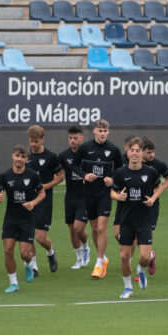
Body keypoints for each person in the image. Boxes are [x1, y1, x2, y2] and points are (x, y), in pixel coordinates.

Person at [111, 138, 163, 299]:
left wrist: (153, 199)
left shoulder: (150, 172)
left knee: (144, 257)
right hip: (126, 220)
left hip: (144, 220)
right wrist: (117, 197)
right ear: (128, 152)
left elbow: (158, 187)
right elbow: (111, 191)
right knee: (124, 257)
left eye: (137, 150)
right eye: (132, 150)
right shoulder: (120, 173)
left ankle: (141, 271)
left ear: (141, 153)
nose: (134, 153)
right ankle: (128, 288)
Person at [72, 119, 123, 279]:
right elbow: (73, 165)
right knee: (94, 228)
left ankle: (99, 263)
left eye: (105, 131)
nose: (102, 134)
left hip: (104, 194)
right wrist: (84, 175)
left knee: (101, 228)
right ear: (94, 131)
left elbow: (120, 170)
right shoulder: (85, 148)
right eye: (100, 131)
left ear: (108, 132)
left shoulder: (113, 150)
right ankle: (103, 258)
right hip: (88, 194)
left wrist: (112, 179)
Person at [0, 145, 45, 293]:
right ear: (12, 156)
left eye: (22, 157)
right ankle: (13, 283)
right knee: (8, 250)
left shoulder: (33, 175)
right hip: (10, 218)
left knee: (24, 254)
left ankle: (28, 265)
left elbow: (42, 193)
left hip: (27, 219)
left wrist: (33, 203)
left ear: (26, 159)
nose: (19, 159)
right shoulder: (4, 176)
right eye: (17, 156)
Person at [25, 125, 63, 279]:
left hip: (45, 202)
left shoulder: (51, 157)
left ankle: (50, 252)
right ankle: (33, 267)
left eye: (36, 141)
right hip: (28, 201)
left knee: (40, 238)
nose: (33, 144)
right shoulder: (25, 157)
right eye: (31, 141)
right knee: (28, 235)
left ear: (42, 140)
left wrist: (43, 187)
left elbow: (60, 177)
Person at [58, 125, 91, 269]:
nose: (72, 140)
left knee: (78, 228)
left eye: (75, 138)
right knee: (71, 229)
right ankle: (78, 258)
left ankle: (86, 247)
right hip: (70, 197)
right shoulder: (63, 156)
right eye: (70, 138)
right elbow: (57, 172)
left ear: (81, 139)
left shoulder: (88, 155)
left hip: (85, 197)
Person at [141, 137, 168, 277]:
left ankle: (141, 267)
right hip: (134, 204)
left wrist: (157, 193)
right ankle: (150, 255)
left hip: (152, 205)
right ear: (141, 152)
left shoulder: (159, 165)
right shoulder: (132, 164)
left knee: (147, 235)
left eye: (153, 152)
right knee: (134, 237)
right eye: (148, 152)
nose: (151, 155)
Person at [112, 134, 135, 245]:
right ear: (126, 148)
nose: (134, 152)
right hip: (122, 202)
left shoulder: (141, 162)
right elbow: (113, 179)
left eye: (136, 149)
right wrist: (116, 193)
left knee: (133, 234)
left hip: (136, 202)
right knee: (117, 234)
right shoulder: (118, 161)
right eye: (131, 148)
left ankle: (129, 259)